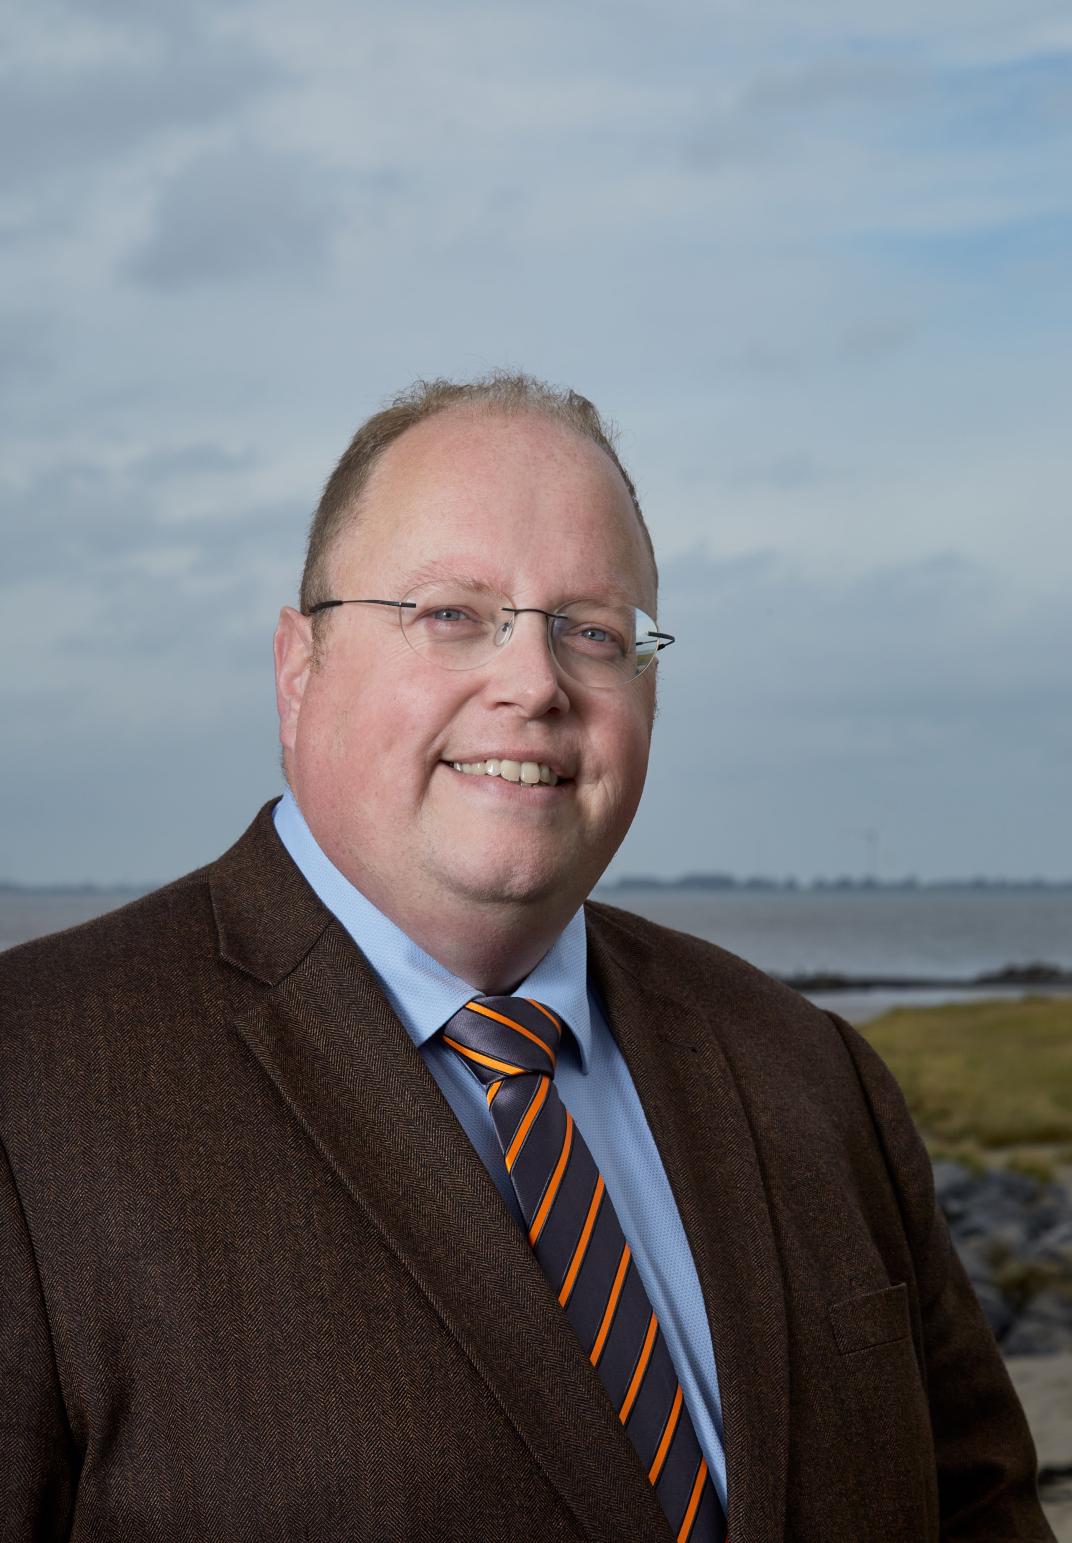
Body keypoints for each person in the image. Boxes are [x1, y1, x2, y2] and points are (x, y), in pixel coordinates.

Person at [0, 374, 1052, 1542]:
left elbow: (979, 1509)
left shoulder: (810, 1072)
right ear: (299, 669)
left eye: (593, 631)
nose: (535, 683)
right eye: (452, 614)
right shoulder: (32, 1086)